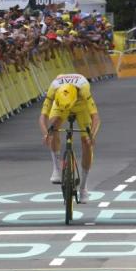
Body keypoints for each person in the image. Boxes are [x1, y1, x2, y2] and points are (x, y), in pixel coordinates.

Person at [38, 73, 100, 203]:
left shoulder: (83, 88)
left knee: (87, 143)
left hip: (80, 106)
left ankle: (83, 187)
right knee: (54, 127)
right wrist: (45, 133)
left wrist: (92, 136)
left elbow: (96, 118)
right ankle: (56, 168)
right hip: (61, 106)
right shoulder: (54, 88)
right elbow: (42, 117)